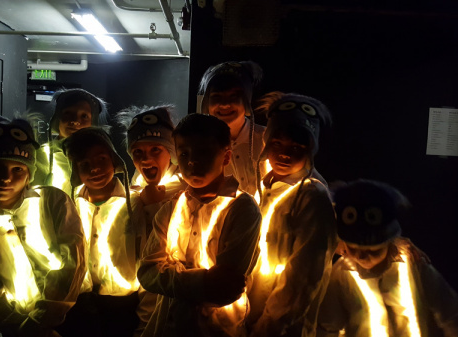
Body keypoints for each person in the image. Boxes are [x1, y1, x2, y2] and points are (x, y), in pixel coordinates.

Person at [137, 113, 262, 337]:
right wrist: (203, 281)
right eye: (184, 154)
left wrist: (172, 276)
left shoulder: (243, 210)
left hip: (220, 329)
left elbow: (227, 287)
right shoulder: (170, 209)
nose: (192, 162)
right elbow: (147, 273)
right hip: (169, 326)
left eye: (203, 152)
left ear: (226, 157)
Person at [0, 116, 86, 337]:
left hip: (71, 314)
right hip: (19, 327)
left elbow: (73, 260)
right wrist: (23, 327)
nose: (5, 178)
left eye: (17, 169)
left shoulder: (53, 201)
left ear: (29, 173)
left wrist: (44, 318)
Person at [317, 180, 458, 337]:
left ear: (389, 242)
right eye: (353, 248)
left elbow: (453, 316)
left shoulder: (414, 266)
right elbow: (329, 327)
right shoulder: (341, 275)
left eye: (374, 250)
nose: (360, 256)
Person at [247, 92, 337, 337]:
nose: (285, 153)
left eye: (297, 147)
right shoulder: (263, 188)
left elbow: (304, 276)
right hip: (250, 313)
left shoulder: (313, 198)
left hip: (284, 327)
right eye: (277, 143)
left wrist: (269, 325)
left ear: (311, 149)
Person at [58, 127, 139, 337]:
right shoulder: (70, 205)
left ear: (114, 160)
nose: (95, 169)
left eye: (101, 159)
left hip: (122, 302)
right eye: (85, 164)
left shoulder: (135, 205)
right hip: (81, 300)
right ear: (76, 170)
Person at [115, 105, 187, 335]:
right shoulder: (133, 191)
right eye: (138, 152)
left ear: (172, 152)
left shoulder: (185, 190)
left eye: (156, 149)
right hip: (138, 291)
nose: (146, 159)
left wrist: (155, 205)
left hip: (169, 291)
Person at [197, 61, 266, 196]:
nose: (224, 104)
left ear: (247, 101)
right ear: (206, 103)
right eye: (216, 96)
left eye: (233, 96)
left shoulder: (269, 140)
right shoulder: (196, 146)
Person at [34, 88, 107, 196]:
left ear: (93, 123)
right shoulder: (41, 156)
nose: (75, 121)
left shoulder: (101, 157)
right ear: (57, 118)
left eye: (84, 116)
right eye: (68, 113)